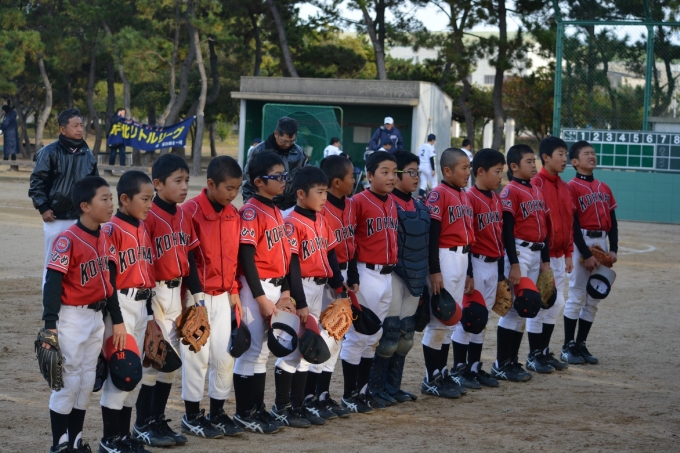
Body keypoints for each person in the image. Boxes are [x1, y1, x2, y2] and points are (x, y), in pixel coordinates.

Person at [133, 154, 203, 448]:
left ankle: (158, 419)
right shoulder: (148, 217)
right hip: (155, 293)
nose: (185, 186)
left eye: (186, 180)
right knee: (153, 359)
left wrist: (197, 298)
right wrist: (148, 307)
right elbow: (142, 263)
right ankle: (142, 424)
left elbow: (190, 258)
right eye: (178, 181)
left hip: (177, 293)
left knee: (171, 363)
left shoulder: (185, 215)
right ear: (158, 184)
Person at [41, 176, 114, 453]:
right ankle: (59, 445)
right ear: (85, 206)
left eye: (111, 198)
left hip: (96, 317)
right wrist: (50, 324)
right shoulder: (67, 239)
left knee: (86, 380)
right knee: (67, 380)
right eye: (104, 199)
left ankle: (75, 442)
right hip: (71, 317)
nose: (110, 204)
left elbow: (110, 284)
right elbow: (52, 283)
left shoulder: (105, 237)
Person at [274, 166, 346, 426]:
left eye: (326, 192)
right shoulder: (292, 223)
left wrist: (340, 287)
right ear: (301, 194)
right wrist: (300, 302)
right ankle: (281, 407)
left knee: (308, 349)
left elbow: (330, 253)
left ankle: (298, 405)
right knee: (292, 350)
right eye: (319, 192)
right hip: (300, 288)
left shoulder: (321, 219)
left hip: (320, 288)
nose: (325, 197)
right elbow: (291, 265)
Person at [179, 156, 245, 439]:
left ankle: (217, 413)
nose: (233, 194)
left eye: (237, 188)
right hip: (197, 296)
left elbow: (234, 258)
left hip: (223, 295)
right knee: (197, 356)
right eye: (229, 188)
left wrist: (234, 290)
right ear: (210, 184)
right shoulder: (189, 211)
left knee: (224, 356)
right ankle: (192, 416)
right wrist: (193, 299)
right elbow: (186, 258)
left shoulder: (234, 213)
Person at [232, 150, 291, 434]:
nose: (283, 180)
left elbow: (284, 256)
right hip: (256, 287)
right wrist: (260, 298)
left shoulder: (276, 209)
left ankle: (257, 408)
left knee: (262, 354)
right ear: (258, 182)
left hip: (275, 286)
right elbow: (246, 257)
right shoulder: (251, 211)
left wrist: (286, 292)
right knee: (251, 351)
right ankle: (244, 412)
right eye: (277, 176)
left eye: (285, 175)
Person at [99, 171, 155, 453]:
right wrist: (118, 321)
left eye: (151, 199)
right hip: (120, 306)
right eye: (144, 199)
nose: (149, 205)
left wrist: (151, 316)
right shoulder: (112, 230)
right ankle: (109, 440)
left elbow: (147, 276)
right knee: (121, 374)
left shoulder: (142, 227)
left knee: (135, 375)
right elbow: (108, 283)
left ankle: (123, 436)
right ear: (124, 199)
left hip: (141, 306)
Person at [369, 151, 430, 405]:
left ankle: (392, 387)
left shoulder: (420, 206)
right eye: (410, 172)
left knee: (405, 336)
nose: (415, 177)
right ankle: (375, 389)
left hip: (415, 277)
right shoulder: (386, 204)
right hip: (392, 275)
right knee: (390, 335)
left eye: (417, 172)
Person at [340, 151, 399, 413]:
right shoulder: (358, 202)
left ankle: (362, 392)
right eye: (384, 172)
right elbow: (350, 242)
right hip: (365, 274)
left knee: (373, 336)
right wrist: (353, 276)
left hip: (387, 276)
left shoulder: (392, 202)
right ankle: (349, 394)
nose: (391, 177)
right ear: (370, 175)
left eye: (394, 172)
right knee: (357, 336)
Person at [491, 144, 551, 382]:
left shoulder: (536, 190)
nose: (534, 165)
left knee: (524, 309)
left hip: (536, 253)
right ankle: (501, 363)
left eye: (534, 161)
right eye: (529, 161)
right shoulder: (510, 191)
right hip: (519, 251)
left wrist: (546, 260)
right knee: (515, 308)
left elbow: (545, 229)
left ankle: (511, 361)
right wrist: (514, 263)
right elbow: (506, 230)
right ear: (514, 166)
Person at [421, 148, 475, 399]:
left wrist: (469, 271)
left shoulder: (463, 194)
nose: (468, 172)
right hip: (444, 256)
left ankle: (441, 372)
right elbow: (432, 235)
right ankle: (431, 377)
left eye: (468, 168)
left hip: (462, 257)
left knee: (451, 320)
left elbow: (469, 237)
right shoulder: (438, 193)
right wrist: (434, 270)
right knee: (439, 320)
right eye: (463, 168)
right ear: (447, 170)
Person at [304, 155, 356, 419]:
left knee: (337, 336)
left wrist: (350, 276)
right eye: (351, 176)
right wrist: (337, 281)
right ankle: (309, 396)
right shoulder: (320, 213)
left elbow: (350, 245)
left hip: (341, 275)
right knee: (324, 337)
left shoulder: (349, 205)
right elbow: (328, 252)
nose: (355, 180)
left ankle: (322, 394)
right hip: (325, 277)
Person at [451, 148, 506, 388]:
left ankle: (474, 367)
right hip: (476, 264)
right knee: (469, 318)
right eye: (497, 171)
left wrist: (501, 273)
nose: (500, 176)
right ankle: (459, 368)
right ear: (480, 172)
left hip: (493, 265)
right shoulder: (470, 198)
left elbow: (500, 239)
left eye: (502, 171)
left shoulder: (496, 199)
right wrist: (469, 273)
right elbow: (466, 239)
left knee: (482, 320)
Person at [561, 140, 618, 365]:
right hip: (581, 242)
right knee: (577, 295)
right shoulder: (571, 187)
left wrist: (613, 249)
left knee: (594, 297)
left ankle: (581, 344)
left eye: (593, 153)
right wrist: (585, 253)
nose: (592, 156)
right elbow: (572, 224)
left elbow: (613, 221)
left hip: (600, 240)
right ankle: (567, 346)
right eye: (586, 153)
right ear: (574, 162)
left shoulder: (604, 188)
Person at [29, 108, 99, 286]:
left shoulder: (87, 154)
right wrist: (43, 207)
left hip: (81, 218)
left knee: (80, 264)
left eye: (81, 125)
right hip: (56, 218)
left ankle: (76, 299)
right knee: (53, 264)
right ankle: (50, 302)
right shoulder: (49, 152)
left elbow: (95, 185)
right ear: (63, 129)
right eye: (75, 126)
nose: (80, 129)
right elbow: (37, 182)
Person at [529, 137, 574, 371]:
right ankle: (534, 354)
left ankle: (544, 351)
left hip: (559, 255)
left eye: (566, 154)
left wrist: (568, 253)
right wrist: (544, 258)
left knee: (556, 304)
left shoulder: (564, 187)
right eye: (560, 154)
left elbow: (569, 223)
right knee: (541, 304)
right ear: (546, 157)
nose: (565, 158)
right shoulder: (536, 184)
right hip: (542, 256)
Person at [242, 117, 307, 210]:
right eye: (284, 141)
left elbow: (303, 178)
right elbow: (248, 181)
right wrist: (250, 206)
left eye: (291, 141)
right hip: (265, 205)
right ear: (276, 134)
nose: (287, 145)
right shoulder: (259, 151)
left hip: (291, 206)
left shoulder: (298, 152)